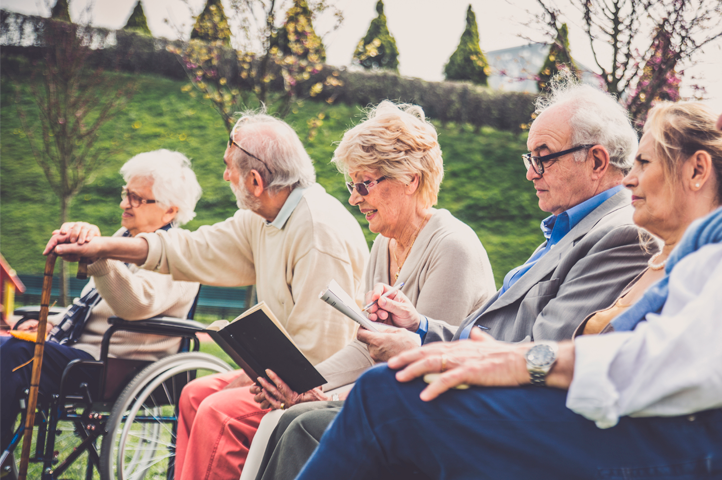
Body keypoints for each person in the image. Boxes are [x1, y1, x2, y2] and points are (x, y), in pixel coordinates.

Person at [294, 10, 722, 480]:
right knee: (392, 403)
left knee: (385, 403)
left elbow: (692, 362)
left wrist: (525, 359)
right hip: (702, 431)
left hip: (720, 447)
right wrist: (435, 337)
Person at [251, 75, 655, 479]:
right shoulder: (564, 229)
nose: (531, 173)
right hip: (478, 388)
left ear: (598, 162)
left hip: (508, 417)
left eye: (543, 157)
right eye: (529, 158)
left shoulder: (616, 234)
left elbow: (538, 356)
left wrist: (421, 349)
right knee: (295, 419)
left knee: (309, 422)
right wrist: (421, 329)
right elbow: (487, 336)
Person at [47, 112, 369, 480]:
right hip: (279, 370)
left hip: (319, 386)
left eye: (228, 166)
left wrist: (253, 377)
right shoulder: (266, 216)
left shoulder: (317, 232)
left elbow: (322, 352)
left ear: (255, 180)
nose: (224, 176)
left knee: (220, 410)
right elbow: (194, 248)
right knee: (194, 394)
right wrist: (104, 247)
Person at [230, 100, 497, 478]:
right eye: (351, 185)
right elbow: (366, 348)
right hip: (391, 400)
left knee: (303, 423)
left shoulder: (453, 247)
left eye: (364, 184)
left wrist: (328, 398)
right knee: (288, 416)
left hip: (436, 417)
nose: (354, 198)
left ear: (410, 180)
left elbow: (424, 363)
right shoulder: (383, 243)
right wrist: (301, 385)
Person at [1, 150, 201, 452]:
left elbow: (135, 305)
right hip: (82, 354)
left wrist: (100, 257)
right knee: (9, 343)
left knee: (12, 354)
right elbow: (90, 311)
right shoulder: (123, 240)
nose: (124, 204)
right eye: (126, 194)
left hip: (111, 366)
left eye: (136, 198)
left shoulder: (178, 255)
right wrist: (48, 323)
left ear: (169, 211)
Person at [579, 101, 722, 336]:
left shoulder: (714, 277)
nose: (628, 180)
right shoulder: (660, 262)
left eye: (644, 162)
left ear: (696, 170)